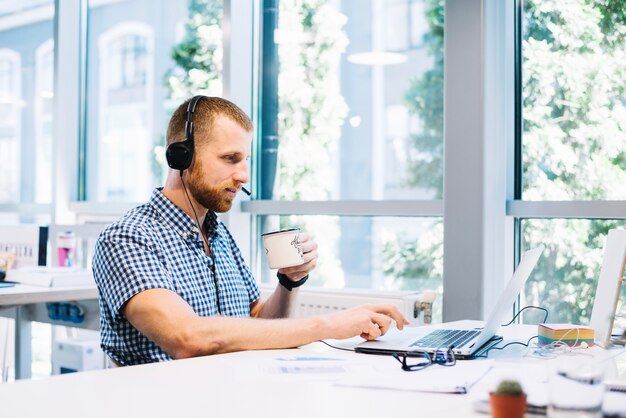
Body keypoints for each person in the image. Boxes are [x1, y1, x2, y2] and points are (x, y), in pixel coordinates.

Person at [92, 96, 409, 366]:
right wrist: (328, 325)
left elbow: (258, 324)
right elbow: (186, 338)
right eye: (230, 159)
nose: (243, 175)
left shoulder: (218, 235)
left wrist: (289, 281)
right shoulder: (127, 239)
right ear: (181, 156)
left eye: (245, 160)